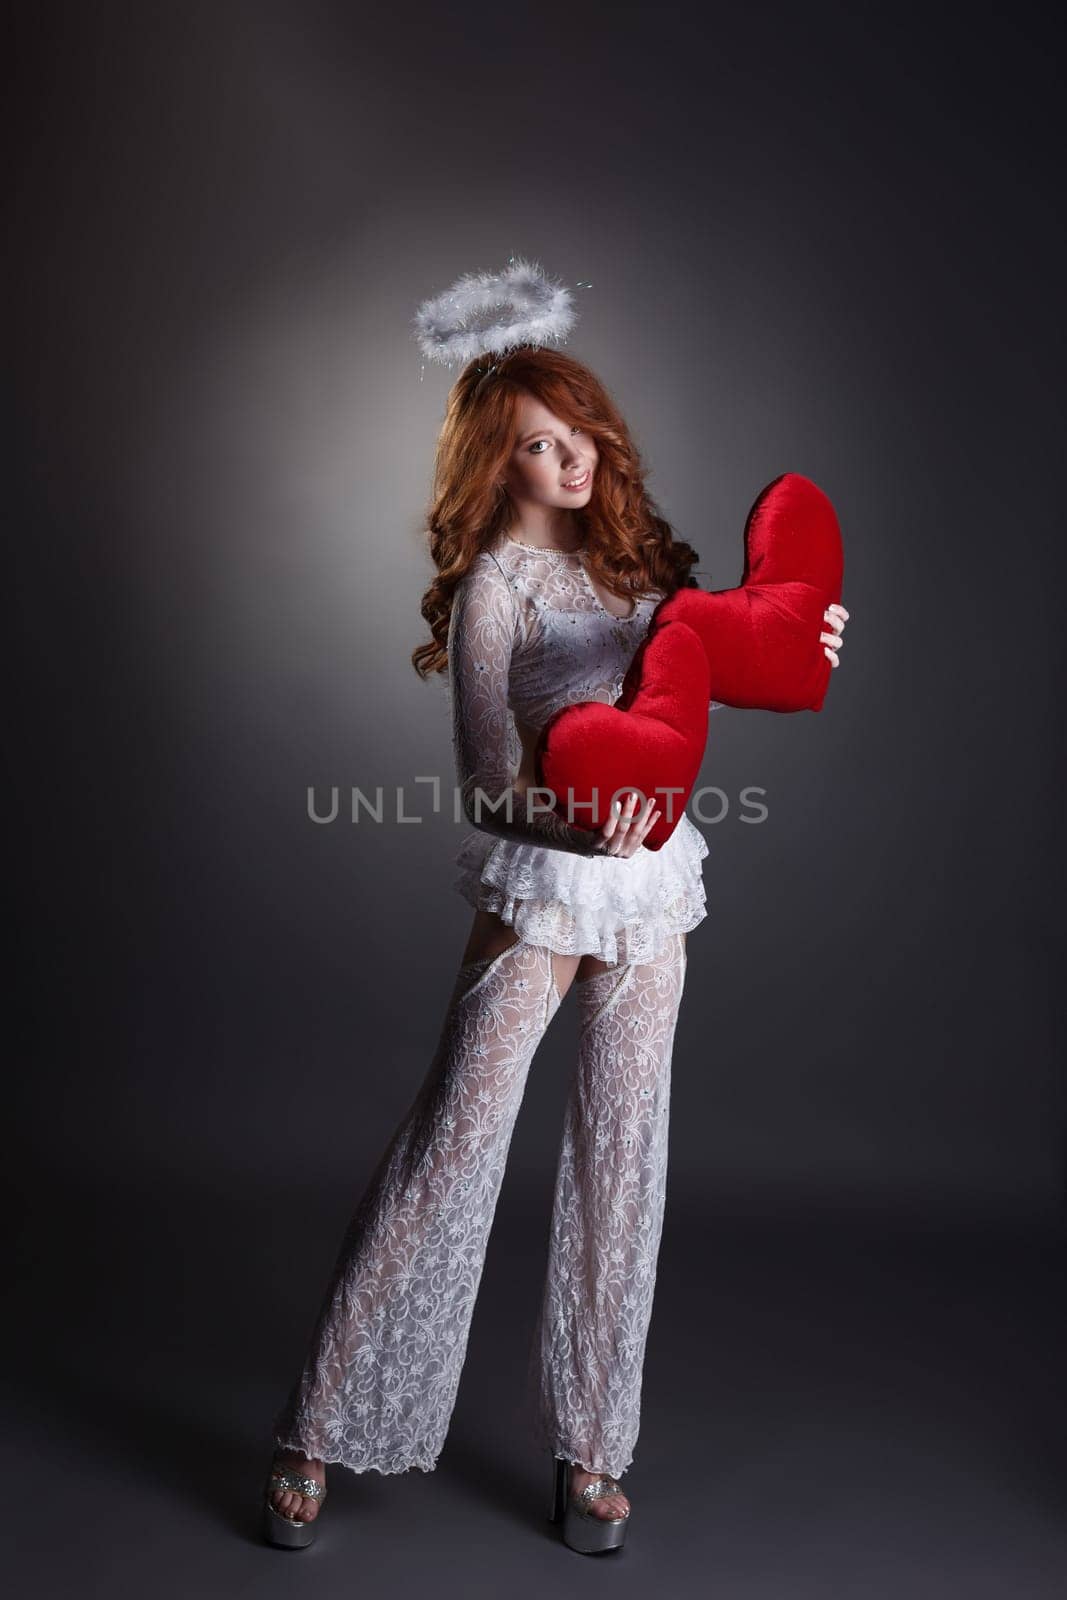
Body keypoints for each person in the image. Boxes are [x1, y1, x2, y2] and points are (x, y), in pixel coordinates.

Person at [262, 344, 849, 1553]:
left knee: (623, 1165)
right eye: (540, 438)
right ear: (499, 460)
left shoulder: (642, 566)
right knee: (448, 1150)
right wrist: (581, 811)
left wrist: (807, 637)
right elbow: (485, 782)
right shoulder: (497, 592)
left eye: (580, 426)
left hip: (648, 902)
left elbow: (721, 669)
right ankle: (311, 1427)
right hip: (542, 890)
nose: (573, 452)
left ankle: (592, 1454)